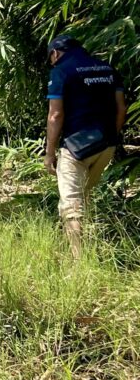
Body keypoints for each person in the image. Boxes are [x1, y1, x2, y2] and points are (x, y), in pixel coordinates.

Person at [44, 34, 126, 257]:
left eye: (50, 58)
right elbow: (121, 109)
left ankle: (78, 261)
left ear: (55, 53)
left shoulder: (60, 71)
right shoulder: (107, 69)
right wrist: (111, 137)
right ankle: (83, 243)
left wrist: (49, 153)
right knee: (84, 195)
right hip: (106, 145)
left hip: (75, 148)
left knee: (71, 204)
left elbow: (55, 115)